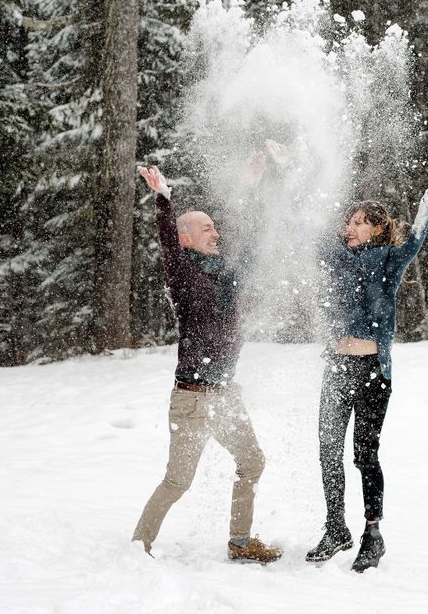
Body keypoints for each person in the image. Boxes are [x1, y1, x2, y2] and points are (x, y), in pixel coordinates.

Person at [131, 161, 282, 564]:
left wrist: (250, 189)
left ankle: (240, 542)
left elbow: (247, 239)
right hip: (193, 399)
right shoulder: (181, 272)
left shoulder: (227, 272)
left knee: (252, 462)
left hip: (225, 396)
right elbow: (165, 242)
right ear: (185, 238)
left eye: (215, 227)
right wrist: (164, 199)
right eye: (206, 228)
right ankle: (138, 546)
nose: (216, 233)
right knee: (178, 481)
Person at [306, 175, 428, 572]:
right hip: (336, 366)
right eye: (347, 222)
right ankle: (335, 528)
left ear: (378, 228)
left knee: (364, 454)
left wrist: (426, 203)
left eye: (358, 222)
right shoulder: (336, 255)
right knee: (327, 448)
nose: (348, 228)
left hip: (372, 371)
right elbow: (310, 220)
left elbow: (415, 239)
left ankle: (372, 533)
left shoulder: (390, 258)